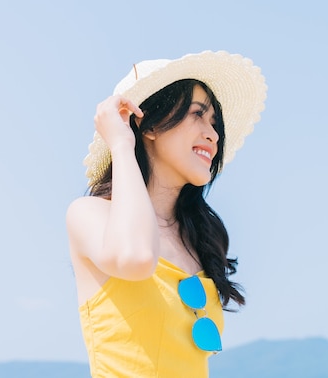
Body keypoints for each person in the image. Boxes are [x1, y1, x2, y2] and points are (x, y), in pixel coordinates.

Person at [66, 51, 267, 377]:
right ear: (150, 125)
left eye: (214, 123)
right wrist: (119, 145)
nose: (213, 134)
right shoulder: (89, 214)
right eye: (197, 115)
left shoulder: (199, 237)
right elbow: (136, 257)